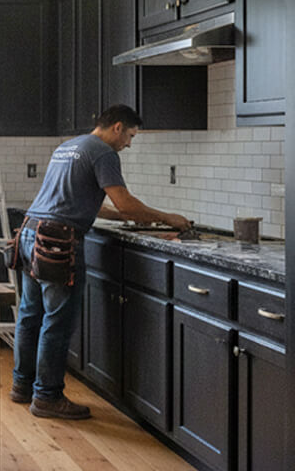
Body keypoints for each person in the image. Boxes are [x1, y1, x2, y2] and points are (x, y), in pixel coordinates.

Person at [12, 105, 190, 420]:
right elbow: (124, 202)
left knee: (30, 315)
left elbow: (88, 202)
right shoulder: (104, 153)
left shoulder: (69, 147)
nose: (129, 144)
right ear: (117, 127)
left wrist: (132, 215)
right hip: (57, 242)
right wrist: (166, 217)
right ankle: (47, 397)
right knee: (57, 321)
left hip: (29, 233)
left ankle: (22, 386)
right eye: (130, 136)